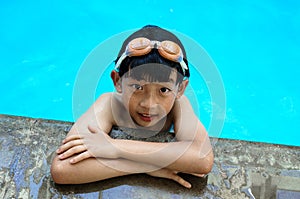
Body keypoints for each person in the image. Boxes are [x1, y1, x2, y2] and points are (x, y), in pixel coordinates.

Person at [51, 25, 214, 189]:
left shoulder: (179, 106)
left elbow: (202, 159)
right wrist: (148, 166)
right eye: (137, 87)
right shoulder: (109, 105)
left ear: (180, 89)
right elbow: (62, 169)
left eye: (163, 90)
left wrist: (116, 148)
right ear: (117, 81)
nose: (149, 104)